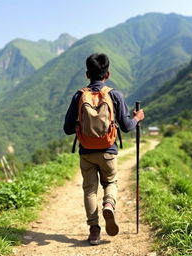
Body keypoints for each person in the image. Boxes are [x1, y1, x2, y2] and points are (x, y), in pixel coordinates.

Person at [63, 53, 145, 245]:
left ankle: (94, 231)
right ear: (107, 74)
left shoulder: (79, 95)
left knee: (90, 190)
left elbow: (67, 129)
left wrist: (79, 126)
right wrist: (138, 118)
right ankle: (109, 204)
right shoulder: (114, 94)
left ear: (87, 74)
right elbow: (126, 126)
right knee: (110, 183)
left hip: (86, 152)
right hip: (109, 150)